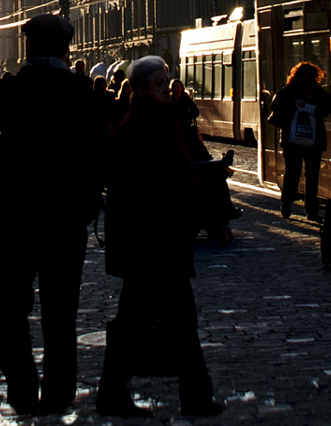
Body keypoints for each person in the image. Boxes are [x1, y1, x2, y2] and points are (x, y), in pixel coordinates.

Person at [0, 14, 108, 416]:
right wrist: (87, 198)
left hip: (15, 215)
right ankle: (59, 393)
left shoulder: (8, 91)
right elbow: (101, 154)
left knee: (9, 310)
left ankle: (22, 391)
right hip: (66, 218)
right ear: (68, 49)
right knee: (61, 312)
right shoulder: (82, 93)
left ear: (28, 47)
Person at [97, 56, 221, 418]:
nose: (167, 89)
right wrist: (205, 210)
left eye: (167, 82)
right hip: (153, 245)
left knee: (146, 321)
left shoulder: (160, 119)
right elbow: (159, 185)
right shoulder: (143, 125)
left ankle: (183, 395)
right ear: (140, 89)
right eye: (159, 85)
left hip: (157, 243)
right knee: (160, 320)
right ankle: (189, 396)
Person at [170, 79, 242, 242]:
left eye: (178, 86)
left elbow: (195, 113)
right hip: (182, 157)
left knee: (214, 172)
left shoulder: (184, 103)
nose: (177, 89)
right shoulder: (168, 108)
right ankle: (219, 216)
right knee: (204, 178)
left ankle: (225, 209)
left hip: (191, 147)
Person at [269, 62, 331, 221]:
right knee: (293, 172)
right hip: (293, 140)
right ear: (299, 75)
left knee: (313, 175)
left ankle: (311, 210)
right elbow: (277, 108)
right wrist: (294, 107)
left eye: (312, 74)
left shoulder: (317, 92)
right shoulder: (288, 91)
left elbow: (328, 106)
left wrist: (312, 107)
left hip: (313, 140)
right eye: (306, 73)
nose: (309, 77)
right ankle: (287, 201)